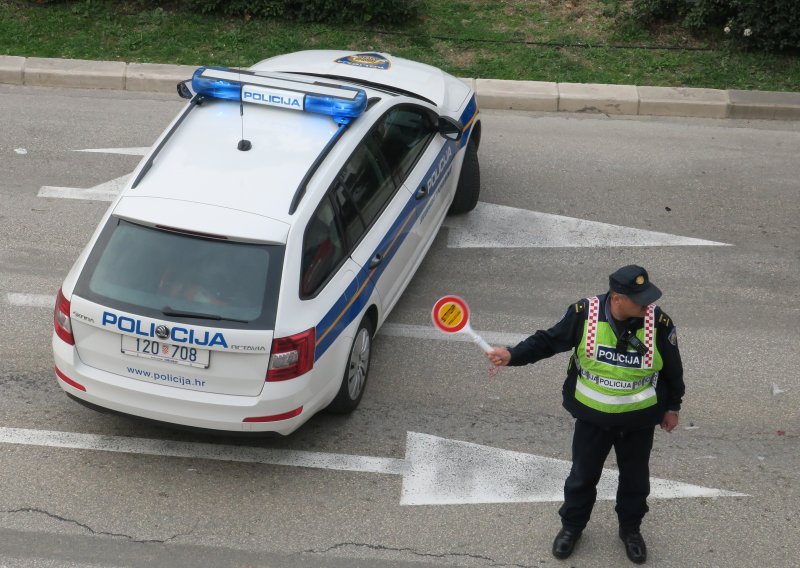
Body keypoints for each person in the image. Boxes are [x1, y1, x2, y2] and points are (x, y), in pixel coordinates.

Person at [486, 265, 684, 565]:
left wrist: (673, 407)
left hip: (638, 422)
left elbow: (672, 368)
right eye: (640, 300)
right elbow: (548, 341)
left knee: (635, 480)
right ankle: (572, 528)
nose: (647, 306)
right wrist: (513, 355)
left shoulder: (659, 322)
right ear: (617, 299)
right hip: (592, 421)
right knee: (582, 476)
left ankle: (630, 530)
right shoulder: (585, 313)